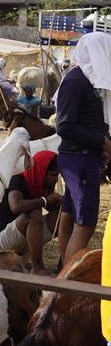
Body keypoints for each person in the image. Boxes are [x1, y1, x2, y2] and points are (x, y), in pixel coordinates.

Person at [54, 31, 111, 266]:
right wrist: (101, 140)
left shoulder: (92, 80)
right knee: (86, 225)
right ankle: (68, 286)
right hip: (80, 159)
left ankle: (62, 269)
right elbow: (64, 126)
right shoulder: (76, 81)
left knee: (69, 214)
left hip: (86, 158)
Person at [0, 150, 61, 275]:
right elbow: (16, 206)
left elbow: (52, 207)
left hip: (27, 236)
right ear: (41, 171)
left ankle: (63, 268)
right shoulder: (17, 181)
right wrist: (45, 200)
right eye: (53, 175)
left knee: (64, 217)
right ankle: (37, 268)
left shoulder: (42, 185)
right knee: (34, 215)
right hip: (6, 240)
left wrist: (61, 203)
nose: (56, 180)